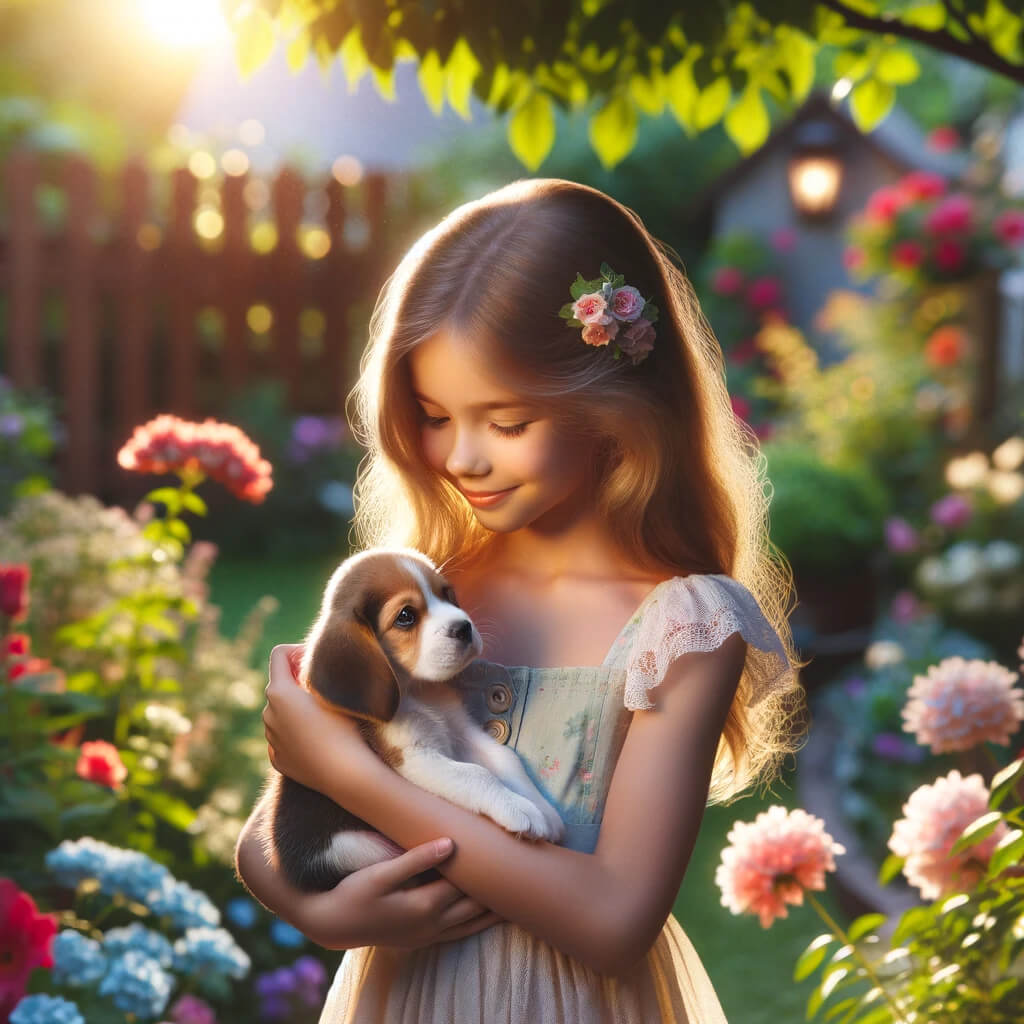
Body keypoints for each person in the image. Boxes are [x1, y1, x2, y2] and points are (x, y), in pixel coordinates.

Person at [235, 178, 806, 1022]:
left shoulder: (683, 627)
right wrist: (315, 906)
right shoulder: (425, 593)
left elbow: (614, 920)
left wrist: (358, 779)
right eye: (433, 415)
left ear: (616, 407)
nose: (463, 458)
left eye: (506, 423)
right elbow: (276, 822)